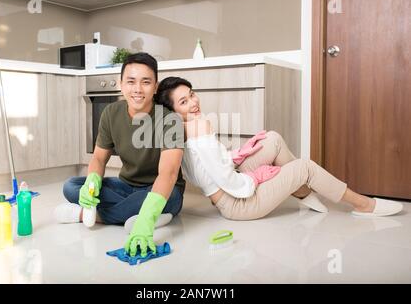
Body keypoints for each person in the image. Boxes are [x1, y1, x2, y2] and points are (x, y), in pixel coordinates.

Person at [154, 76, 404, 220]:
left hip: (229, 186)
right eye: (184, 101)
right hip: (237, 203)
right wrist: (256, 178)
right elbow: (227, 180)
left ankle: (302, 192)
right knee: (304, 167)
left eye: (192, 94)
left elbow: (210, 167)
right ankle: (363, 205)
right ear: (174, 110)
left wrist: (239, 153)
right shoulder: (199, 128)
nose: (194, 102)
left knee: (271, 139)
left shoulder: (182, 129)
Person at [55, 53, 186, 257]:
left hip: (163, 191)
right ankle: (133, 214)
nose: (137, 89)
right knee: (71, 186)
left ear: (155, 86)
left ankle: (89, 215)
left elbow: (168, 176)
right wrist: (92, 181)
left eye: (145, 82)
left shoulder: (169, 120)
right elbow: (99, 158)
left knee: (170, 198)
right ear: (121, 83)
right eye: (131, 81)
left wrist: (145, 222)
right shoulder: (110, 113)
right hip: (125, 186)